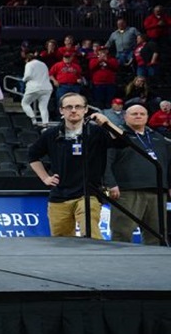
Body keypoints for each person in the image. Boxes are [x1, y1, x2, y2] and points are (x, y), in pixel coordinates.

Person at [26, 93, 120, 239]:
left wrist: (108, 123)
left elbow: (122, 142)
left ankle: (96, 262)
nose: (74, 110)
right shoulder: (51, 134)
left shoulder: (96, 132)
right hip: (59, 195)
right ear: (61, 110)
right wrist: (45, 178)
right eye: (69, 107)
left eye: (78, 106)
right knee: (60, 242)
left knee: (91, 237)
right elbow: (32, 155)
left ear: (86, 109)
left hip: (89, 194)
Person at [103, 103, 170, 245]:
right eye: (134, 114)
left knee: (158, 235)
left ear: (147, 117)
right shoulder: (117, 136)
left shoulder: (158, 137)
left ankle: (154, 265)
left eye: (142, 114)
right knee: (122, 232)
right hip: (127, 191)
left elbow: (168, 163)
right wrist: (110, 183)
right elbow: (106, 161)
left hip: (157, 191)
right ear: (125, 117)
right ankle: (120, 264)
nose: (138, 116)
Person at [20, 50, 51, 125]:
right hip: (47, 88)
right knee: (43, 107)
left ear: (27, 59)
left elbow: (28, 75)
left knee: (25, 103)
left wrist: (23, 79)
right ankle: (45, 123)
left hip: (34, 88)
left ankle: (33, 120)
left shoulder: (29, 64)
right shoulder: (43, 64)